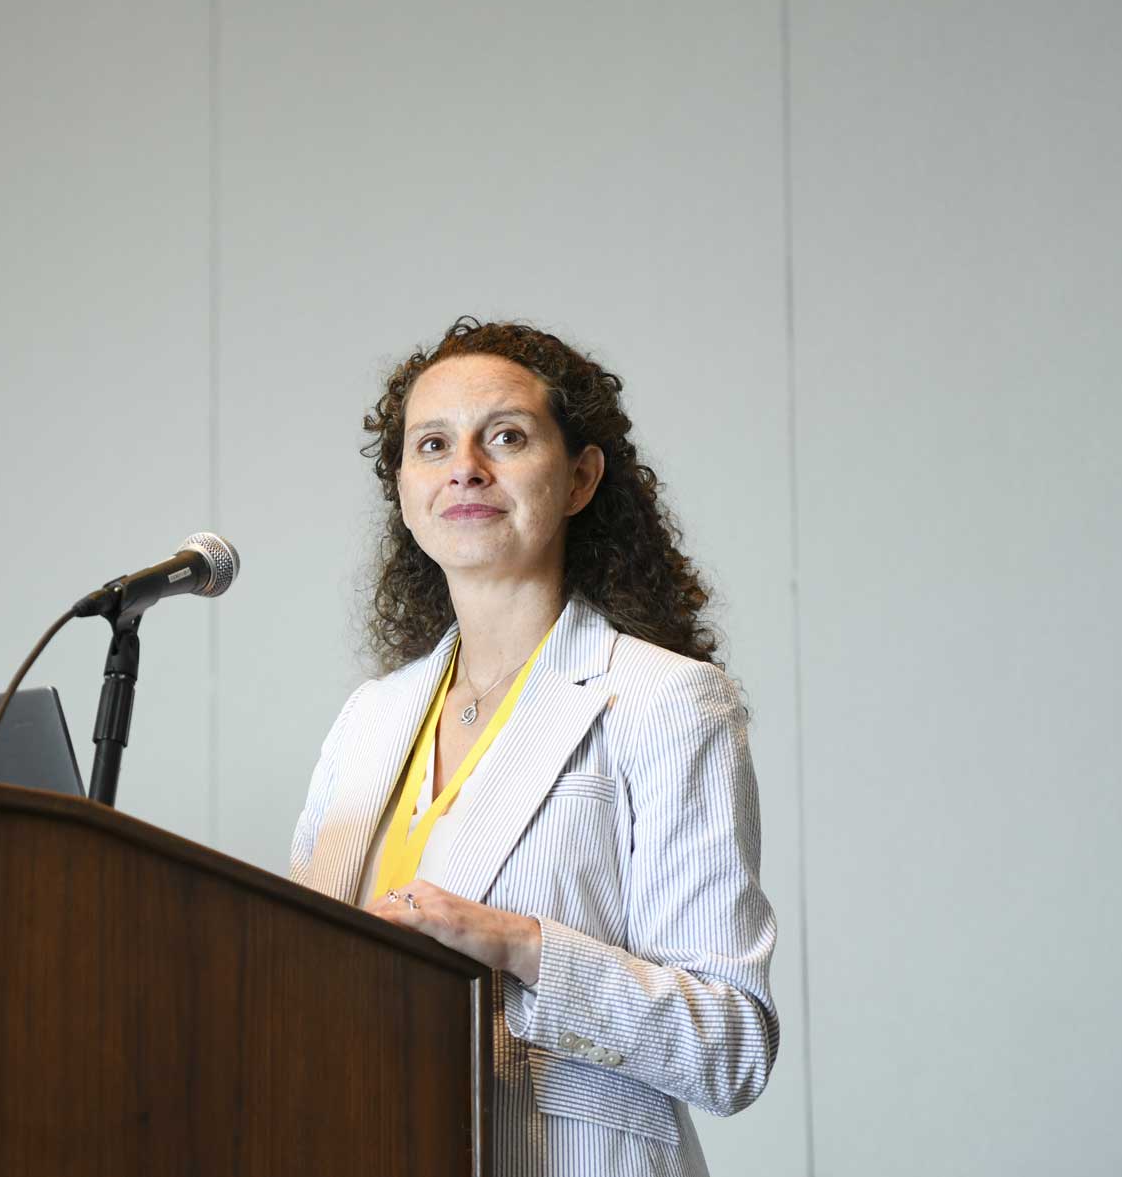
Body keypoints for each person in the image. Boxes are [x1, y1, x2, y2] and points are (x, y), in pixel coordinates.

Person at [289, 317, 781, 1176]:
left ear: (581, 477)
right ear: (403, 489)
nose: (465, 468)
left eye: (506, 437)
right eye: (432, 444)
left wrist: (519, 944)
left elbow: (730, 1044)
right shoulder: (368, 718)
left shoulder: (666, 701)